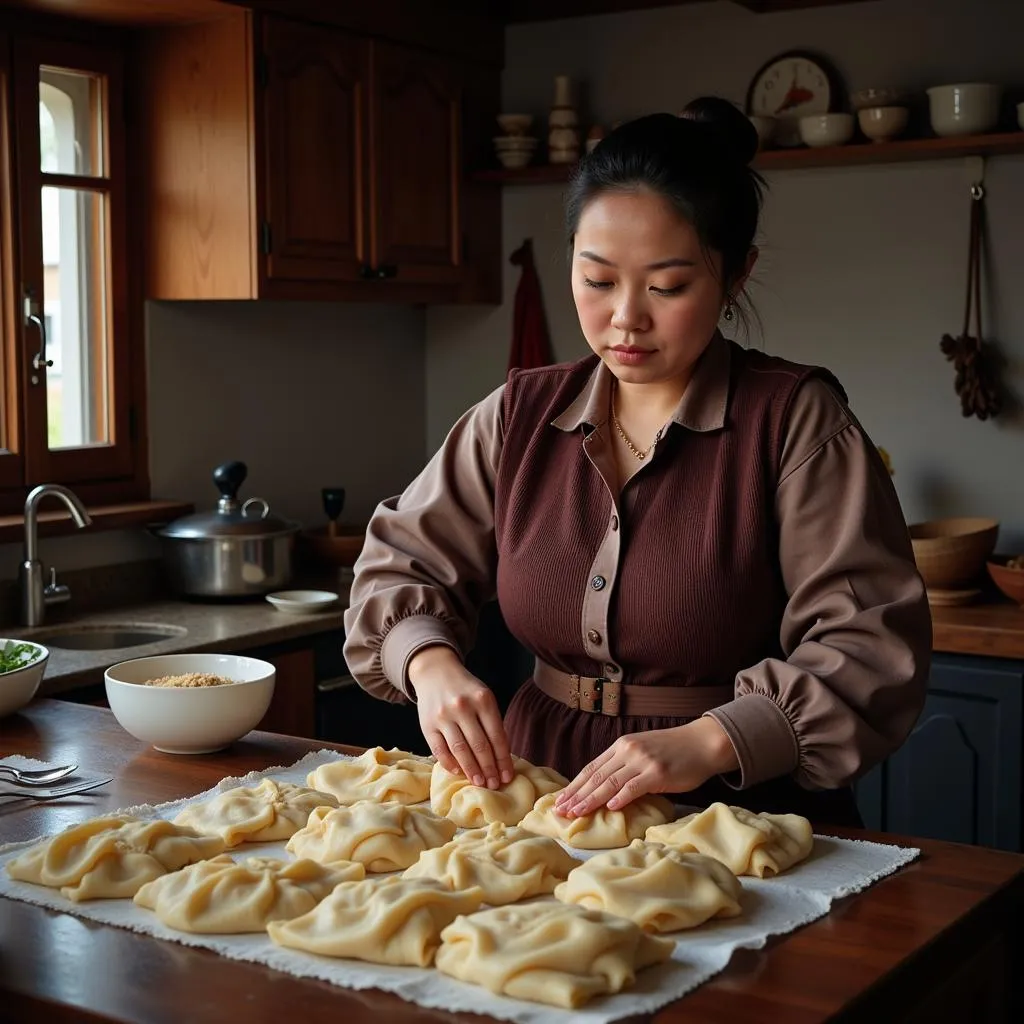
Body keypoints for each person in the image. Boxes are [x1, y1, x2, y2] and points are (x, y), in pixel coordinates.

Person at [343, 97, 932, 829]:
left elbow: (867, 646)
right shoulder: (519, 414)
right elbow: (400, 565)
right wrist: (429, 667)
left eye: (667, 287)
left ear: (736, 274)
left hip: (739, 817)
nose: (626, 318)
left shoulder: (796, 421)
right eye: (596, 280)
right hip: (538, 804)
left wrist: (712, 740)